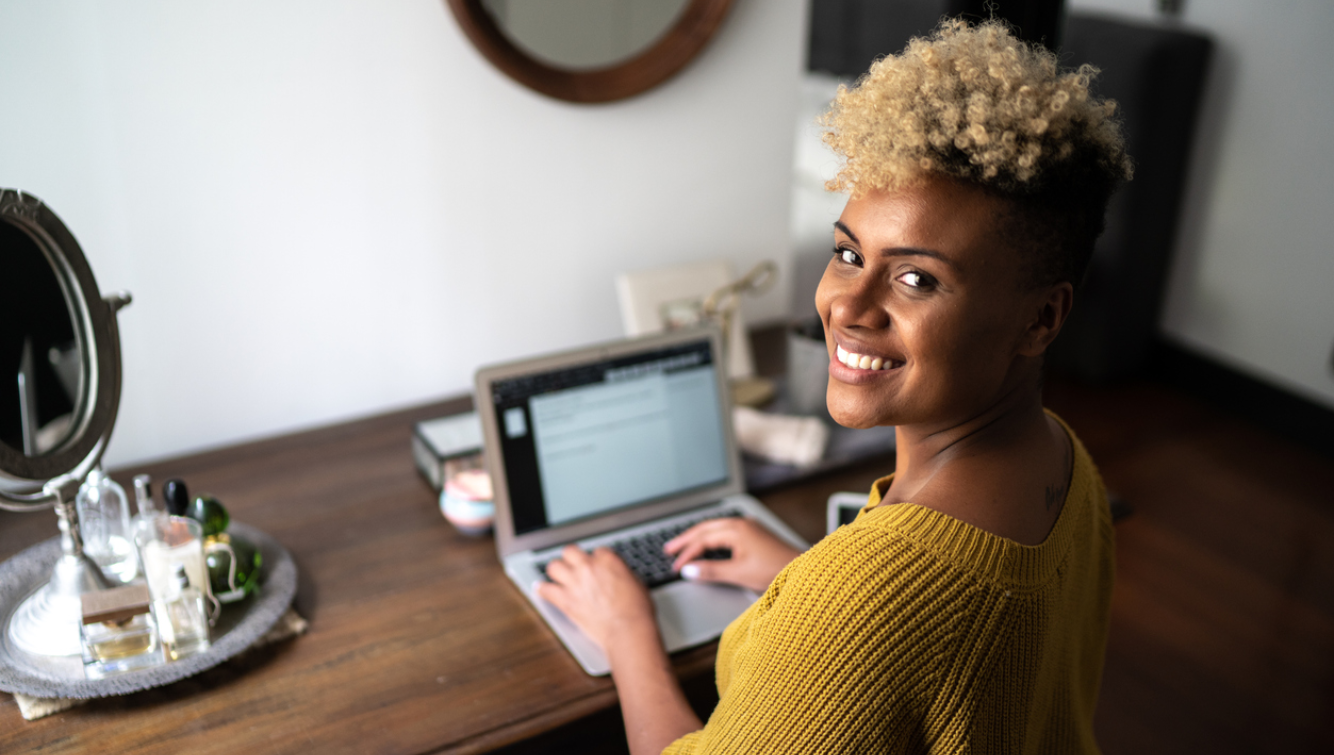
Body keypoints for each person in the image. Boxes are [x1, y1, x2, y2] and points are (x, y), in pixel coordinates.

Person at [536, 19, 1131, 754]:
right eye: (848, 252)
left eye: (917, 278)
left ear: (1042, 318)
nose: (847, 307)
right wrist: (798, 577)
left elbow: (895, 621)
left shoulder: (857, 603)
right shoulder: (1068, 468)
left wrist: (627, 630)